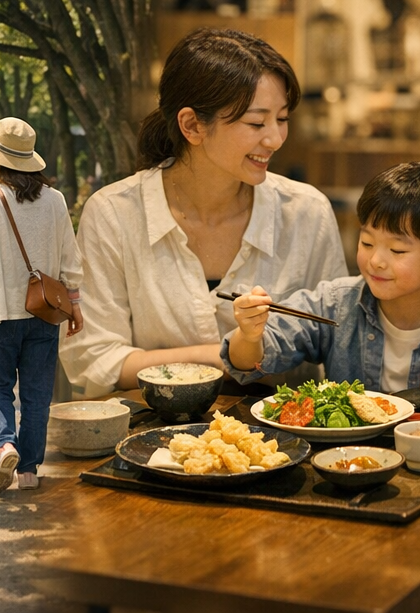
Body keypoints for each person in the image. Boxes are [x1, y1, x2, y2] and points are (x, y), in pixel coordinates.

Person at [59, 28, 347, 398]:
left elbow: (336, 343)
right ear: (192, 125)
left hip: (283, 441)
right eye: (256, 123)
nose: (274, 139)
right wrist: (227, 355)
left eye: (282, 119)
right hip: (153, 444)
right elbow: (92, 360)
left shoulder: (306, 212)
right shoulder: (114, 214)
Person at [224, 163, 420, 396]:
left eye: (397, 250)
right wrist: (250, 334)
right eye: (367, 242)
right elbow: (249, 362)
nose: (376, 260)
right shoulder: (334, 303)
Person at [0, 117, 84, 492]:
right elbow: (69, 260)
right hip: (44, 315)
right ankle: (28, 471)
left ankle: (4, 445)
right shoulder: (56, 201)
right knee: (36, 395)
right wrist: (75, 304)